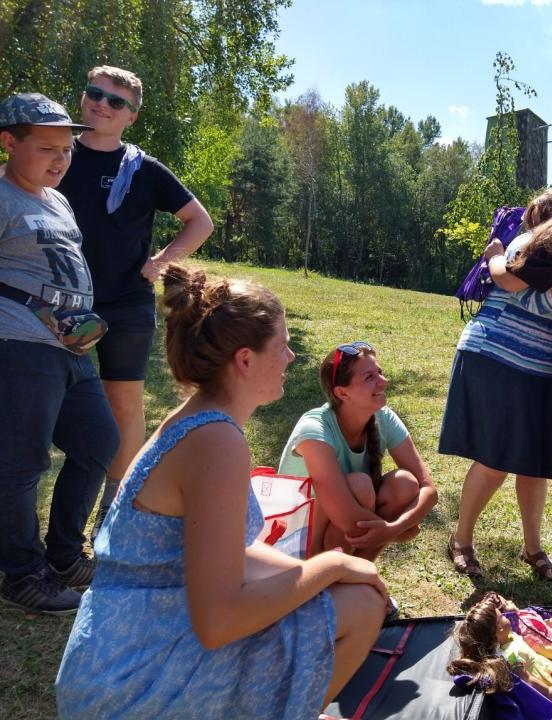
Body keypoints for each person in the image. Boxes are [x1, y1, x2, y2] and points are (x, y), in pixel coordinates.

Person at [55, 264, 385, 718]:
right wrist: (330, 566)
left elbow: (228, 555)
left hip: (112, 660)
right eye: (283, 346)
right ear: (245, 360)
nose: (291, 358)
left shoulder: (194, 420)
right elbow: (218, 623)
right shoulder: (217, 441)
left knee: (345, 590)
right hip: (134, 684)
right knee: (362, 607)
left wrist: (321, 572)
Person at [57, 66, 214, 536]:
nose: (102, 104)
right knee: (45, 402)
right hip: (57, 302)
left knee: (123, 406)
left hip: (124, 305)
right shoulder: (54, 153)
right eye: (94, 94)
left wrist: (163, 261)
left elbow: (199, 222)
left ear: (132, 117)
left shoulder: (143, 169)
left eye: (116, 102)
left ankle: (112, 513)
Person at [439, 188, 552, 580]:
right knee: (494, 459)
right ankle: (461, 541)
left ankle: (532, 548)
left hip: (538, 366)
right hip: (499, 356)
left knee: (534, 465)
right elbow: (541, 303)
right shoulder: (529, 245)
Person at [0, 93, 119, 615]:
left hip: (71, 350)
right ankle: (22, 573)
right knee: (21, 464)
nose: (60, 160)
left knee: (98, 443)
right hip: (19, 345)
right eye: (47, 149)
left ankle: (65, 557)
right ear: (8, 142)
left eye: (66, 150)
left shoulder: (58, 200)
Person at [278, 341, 437, 559]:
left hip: (344, 527)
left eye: (379, 373)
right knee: (359, 485)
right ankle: (324, 579)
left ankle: (356, 576)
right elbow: (346, 519)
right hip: (294, 538)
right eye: (369, 378)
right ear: (342, 393)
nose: (384, 381)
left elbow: (428, 489)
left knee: (405, 484)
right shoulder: (314, 428)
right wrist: (400, 530)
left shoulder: (384, 417)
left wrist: (393, 528)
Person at [449, 592, 552, 720]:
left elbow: (539, 649)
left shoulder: (512, 637)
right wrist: (548, 691)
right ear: (498, 629)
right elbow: (526, 677)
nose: (506, 617)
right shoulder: (507, 655)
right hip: (547, 682)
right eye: (502, 618)